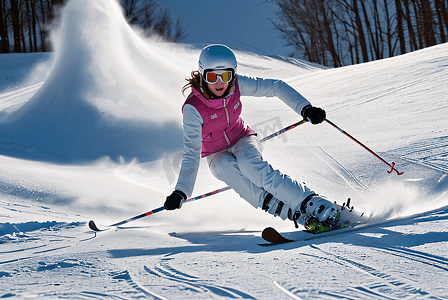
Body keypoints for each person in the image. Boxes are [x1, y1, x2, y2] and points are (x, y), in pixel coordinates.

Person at [164, 44, 338, 230]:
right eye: (212, 76)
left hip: (242, 138)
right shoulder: (193, 108)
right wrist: (181, 191)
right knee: (228, 169)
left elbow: (275, 87)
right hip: (215, 154)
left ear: (233, 74)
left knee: (250, 165)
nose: (219, 83)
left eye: (226, 76)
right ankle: (295, 214)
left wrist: (305, 107)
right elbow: (191, 151)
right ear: (202, 75)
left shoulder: (236, 86)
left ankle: (310, 202)